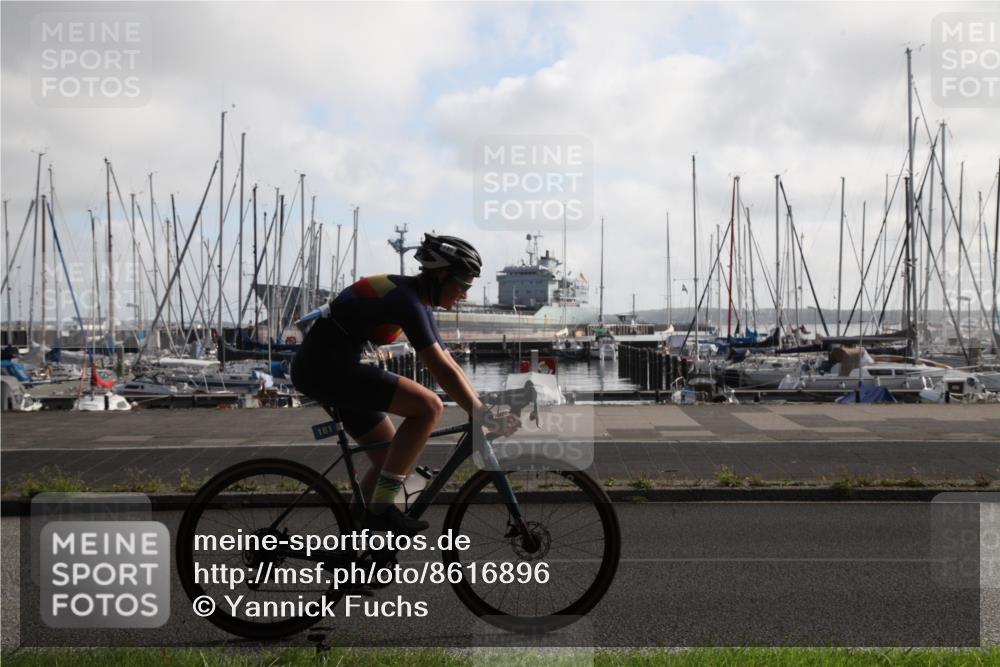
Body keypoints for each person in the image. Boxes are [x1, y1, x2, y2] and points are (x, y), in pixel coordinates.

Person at [291, 233, 518, 535]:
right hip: (327, 369)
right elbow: (442, 372)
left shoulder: (417, 300)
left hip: (330, 368)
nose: (465, 293)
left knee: (391, 457)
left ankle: (354, 546)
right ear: (440, 275)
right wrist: (481, 414)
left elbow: (448, 362)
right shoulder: (407, 301)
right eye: (463, 284)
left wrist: (481, 410)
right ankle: (381, 511)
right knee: (428, 407)